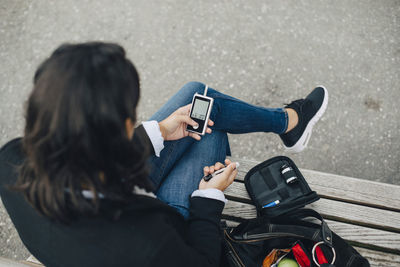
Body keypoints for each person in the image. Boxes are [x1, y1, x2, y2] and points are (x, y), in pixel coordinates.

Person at [0, 42, 328, 267]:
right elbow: (201, 261)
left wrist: (155, 132)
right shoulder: (148, 240)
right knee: (210, 131)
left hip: (100, 210)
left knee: (197, 98)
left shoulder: (11, 158)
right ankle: (289, 121)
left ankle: (286, 122)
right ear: (122, 126)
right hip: (153, 231)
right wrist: (208, 198)